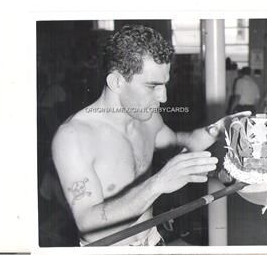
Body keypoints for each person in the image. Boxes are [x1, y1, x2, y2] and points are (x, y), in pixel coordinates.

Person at [51, 25, 249, 246]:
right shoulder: (74, 136)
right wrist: (158, 184)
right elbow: (92, 230)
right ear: (116, 82)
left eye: (164, 85)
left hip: (153, 241)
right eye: (152, 86)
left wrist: (219, 128)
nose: (163, 98)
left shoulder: (149, 118)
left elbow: (186, 144)